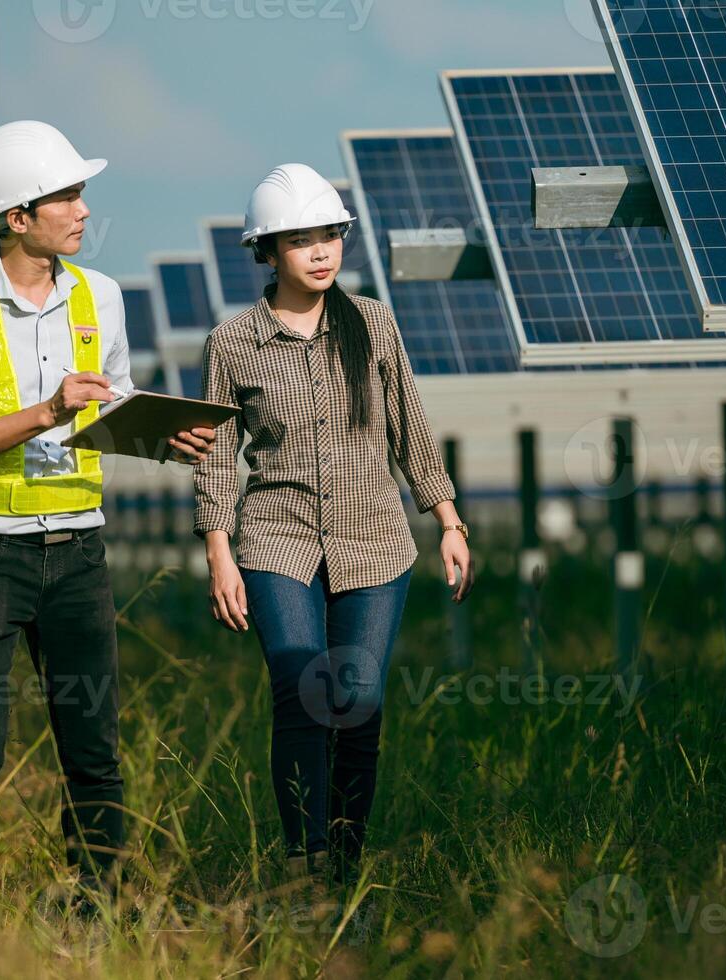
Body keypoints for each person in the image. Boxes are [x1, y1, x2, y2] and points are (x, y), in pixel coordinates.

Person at [0, 120, 217, 905]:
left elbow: (99, 414)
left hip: (78, 550)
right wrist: (46, 412)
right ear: (17, 217)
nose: (84, 209)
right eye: (67, 196)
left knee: (94, 748)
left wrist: (157, 439)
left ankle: (96, 907)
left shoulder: (100, 297)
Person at [192, 163, 474, 881]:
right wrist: (219, 554)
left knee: (356, 697)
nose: (320, 252)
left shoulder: (372, 320)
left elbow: (410, 422)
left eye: (330, 236)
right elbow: (218, 457)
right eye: (300, 241)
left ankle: (347, 861)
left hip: (374, 537)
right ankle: (304, 866)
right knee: (299, 686)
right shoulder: (232, 343)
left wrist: (446, 519)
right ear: (266, 252)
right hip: (274, 537)